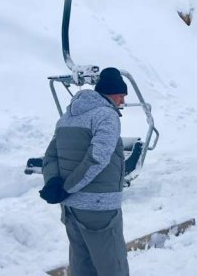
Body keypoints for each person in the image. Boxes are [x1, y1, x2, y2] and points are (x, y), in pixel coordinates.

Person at [39, 67, 130, 276]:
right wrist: (67, 187)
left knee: (82, 265)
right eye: (122, 96)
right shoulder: (106, 115)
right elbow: (97, 158)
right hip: (100, 209)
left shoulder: (67, 117)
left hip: (71, 209)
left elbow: (50, 156)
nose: (122, 102)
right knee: (112, 266)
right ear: (113, 93)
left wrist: (54, 183)